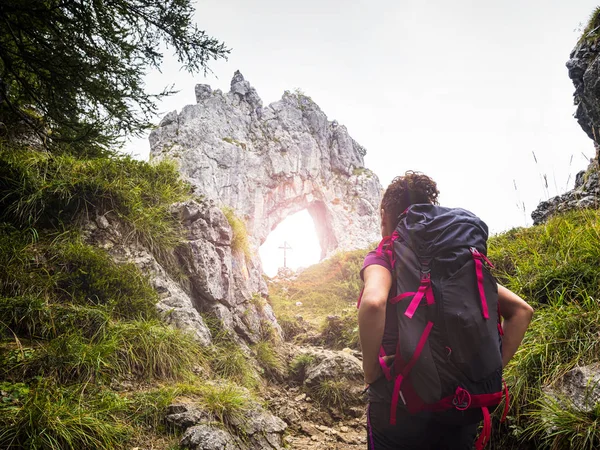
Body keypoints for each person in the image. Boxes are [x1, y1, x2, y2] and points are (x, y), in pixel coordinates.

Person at [358, 171, 533, 450]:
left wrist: (370, 372)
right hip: (461, 404)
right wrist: (486, 372)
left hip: (400, 402)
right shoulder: (456, 261)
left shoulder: (386, 255)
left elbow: (373, 303)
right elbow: (522, 311)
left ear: (384, 217)